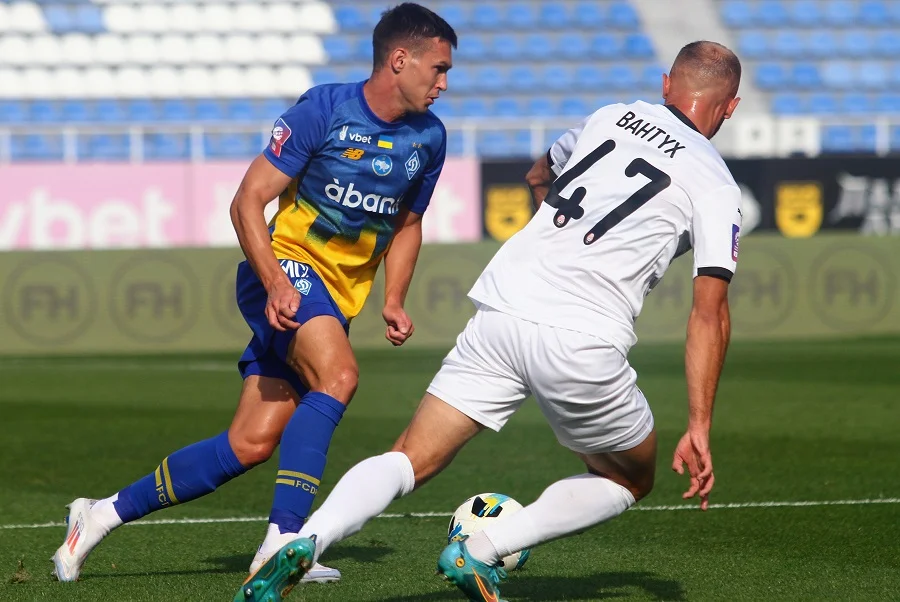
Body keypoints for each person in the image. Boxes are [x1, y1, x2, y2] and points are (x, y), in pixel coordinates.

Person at [238, 40, 744, 602]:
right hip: (583, 335)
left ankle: (307, 538)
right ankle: (482, 549)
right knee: (629, 476)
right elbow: (709, 314)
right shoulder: (715, 183)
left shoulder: (611, 117)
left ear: (667, 83)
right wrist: (699, 425)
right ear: (730, 107)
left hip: (504, 306)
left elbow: (538, 174)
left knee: (409, 457)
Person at [51, 3, 456, 594]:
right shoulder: (324, 110)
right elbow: (247, 200)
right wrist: (275, 280)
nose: (444, 84)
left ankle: (99, 515)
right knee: (339, 376)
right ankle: (281, 542)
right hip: (285, 269)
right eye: (438, 69)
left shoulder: (430, 138)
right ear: (400, 59)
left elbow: (408, 223)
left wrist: (393, 297)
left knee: (249, 443)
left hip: (335, 299)